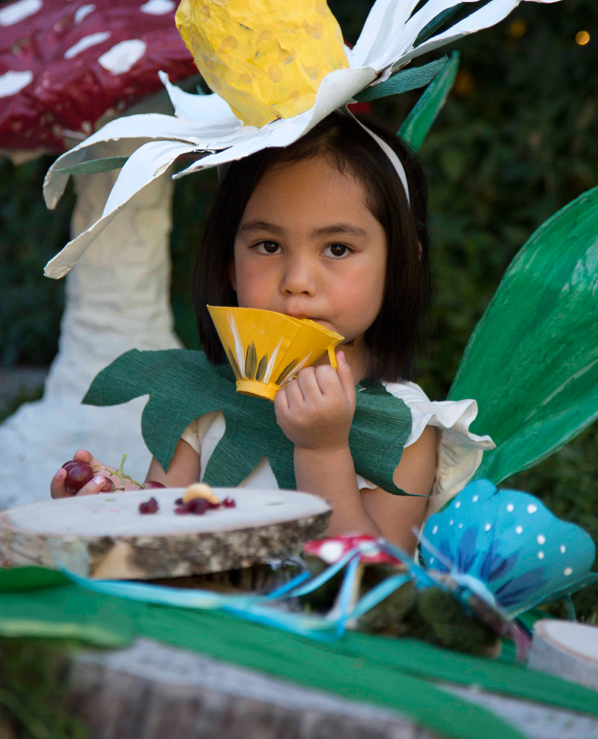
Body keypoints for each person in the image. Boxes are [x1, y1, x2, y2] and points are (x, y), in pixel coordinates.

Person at [51, 110, 493, 553]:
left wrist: (324, 451)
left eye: (337, 248)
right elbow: (165, 528)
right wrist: (111, 505)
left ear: (400, 264)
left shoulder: (407, 428)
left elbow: (373, 583)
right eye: (268, 246)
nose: (297, 279)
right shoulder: (198, 399)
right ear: (231, 265)